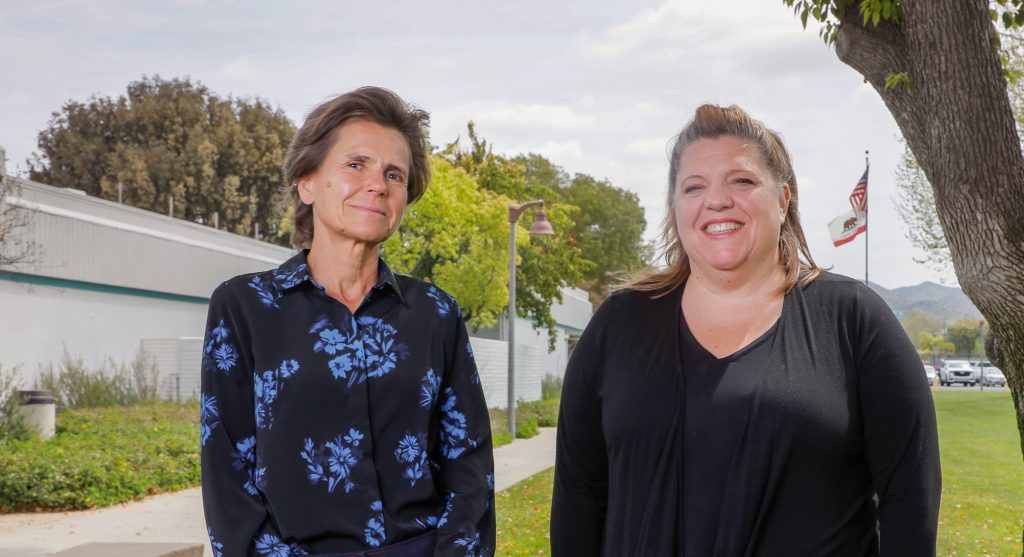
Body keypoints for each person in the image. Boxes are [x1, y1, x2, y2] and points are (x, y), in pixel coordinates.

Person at [550, 104, 941, 556]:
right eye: (694, 186)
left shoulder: (853, 319)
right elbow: (579, 494)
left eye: (742, 181)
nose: (716, 200)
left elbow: (910, 495)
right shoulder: (618, 325)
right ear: (676, 208)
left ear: (783, 200)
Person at [200, 87, 495, 557]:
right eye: (356, 164)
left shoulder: (437, 313)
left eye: (394, 174)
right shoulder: (243, 307)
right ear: (307, 182)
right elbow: (226, 470)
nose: (377, 184)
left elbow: (469, 463)